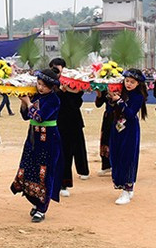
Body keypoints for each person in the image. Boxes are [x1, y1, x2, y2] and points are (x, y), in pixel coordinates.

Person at [11, 69, 63, 222]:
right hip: (33, 138)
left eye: (44, 86)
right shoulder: (37, 96)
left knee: (45, 172)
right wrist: (23, 103)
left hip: (49, 140)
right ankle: (35, 202)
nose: (40, 88)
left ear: (52, 87)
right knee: (29, 168)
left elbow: (39, 117)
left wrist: (28, 102)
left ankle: (42, 207)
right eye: (39, 84)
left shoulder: (54, 99)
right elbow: (26, 116)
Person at [105, 69, 148, 205]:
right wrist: (110, 100)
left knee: (128, 158)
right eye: (127, 81)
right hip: (116, 128)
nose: (128, 84)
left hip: (129, 130)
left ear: (138, 83)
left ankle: (127, 189)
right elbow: (109, 111)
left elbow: (130, 114)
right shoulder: (119, 91)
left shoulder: (138, 96)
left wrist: (120, 102)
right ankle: (123, 187)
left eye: (132, 82)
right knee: (115, 156)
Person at [49, 58, 89, 197]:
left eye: (58, 69)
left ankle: (64, 184)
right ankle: (53, 182)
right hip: (55, 124)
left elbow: (77, 103)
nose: (56, 72)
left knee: (69, 154)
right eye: (53, 69)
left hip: (72, 123)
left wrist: (72, 90)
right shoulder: (50, 85)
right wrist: (60, 90)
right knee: (55, 155)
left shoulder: (74, 82)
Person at [93, 89, 115, 176]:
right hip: (108, 118)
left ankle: (117, 166)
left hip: (120, 116)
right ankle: (106, 166)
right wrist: (99, 94)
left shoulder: (122, 87)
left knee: (117, 142)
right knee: (105, 140)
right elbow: (98, 104)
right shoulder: (106, 88)